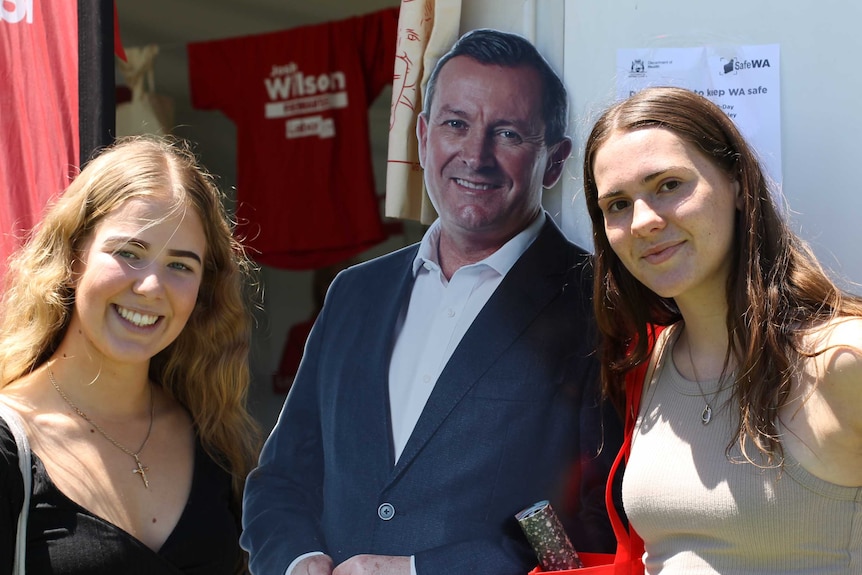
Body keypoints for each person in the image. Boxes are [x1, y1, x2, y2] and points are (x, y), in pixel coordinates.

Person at [241, 28, 621, 575]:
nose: (475, 154)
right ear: (423, 137)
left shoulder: (599, 309)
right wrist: (298, 561)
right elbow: (281, 481)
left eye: (508, 133)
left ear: (555, 161)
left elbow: (601, 524)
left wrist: (420, 569)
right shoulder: (354, 293)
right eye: (455, 124)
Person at [582, 86, 862, 574]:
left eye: (669, 185)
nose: (644, 221)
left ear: (736, 184)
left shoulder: (841, 359)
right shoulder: (651, 359)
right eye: (618, 205)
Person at [0, 136, 261, 574]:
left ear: (202, 292)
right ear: (72, 257)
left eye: (180, 265)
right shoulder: (11, 445)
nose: (151, 287)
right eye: (129, 253)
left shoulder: (218, 442)